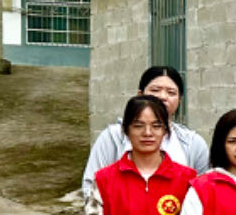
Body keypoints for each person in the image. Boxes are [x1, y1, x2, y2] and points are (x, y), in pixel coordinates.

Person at [82, 66, 210, 197]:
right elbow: (91, 185)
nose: (163, 97)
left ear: (180, 100)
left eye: (171, 93)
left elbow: (202, 193)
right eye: (155, 90)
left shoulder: (193, 143)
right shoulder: (112, 137)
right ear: (140, 95)